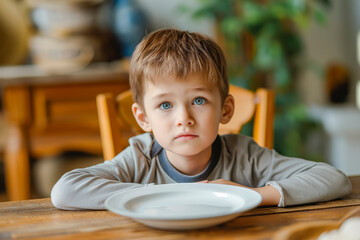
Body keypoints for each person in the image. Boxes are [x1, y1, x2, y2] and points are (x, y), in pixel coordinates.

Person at [51, 29, 351, 210]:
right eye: (165, 105)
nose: (184, 119)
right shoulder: (141, 158)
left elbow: (333, 180)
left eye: (198, 101)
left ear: (225, 110)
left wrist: (255, 196)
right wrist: (169, 193)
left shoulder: (244, 156)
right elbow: (66, 190)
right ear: (143, 118)